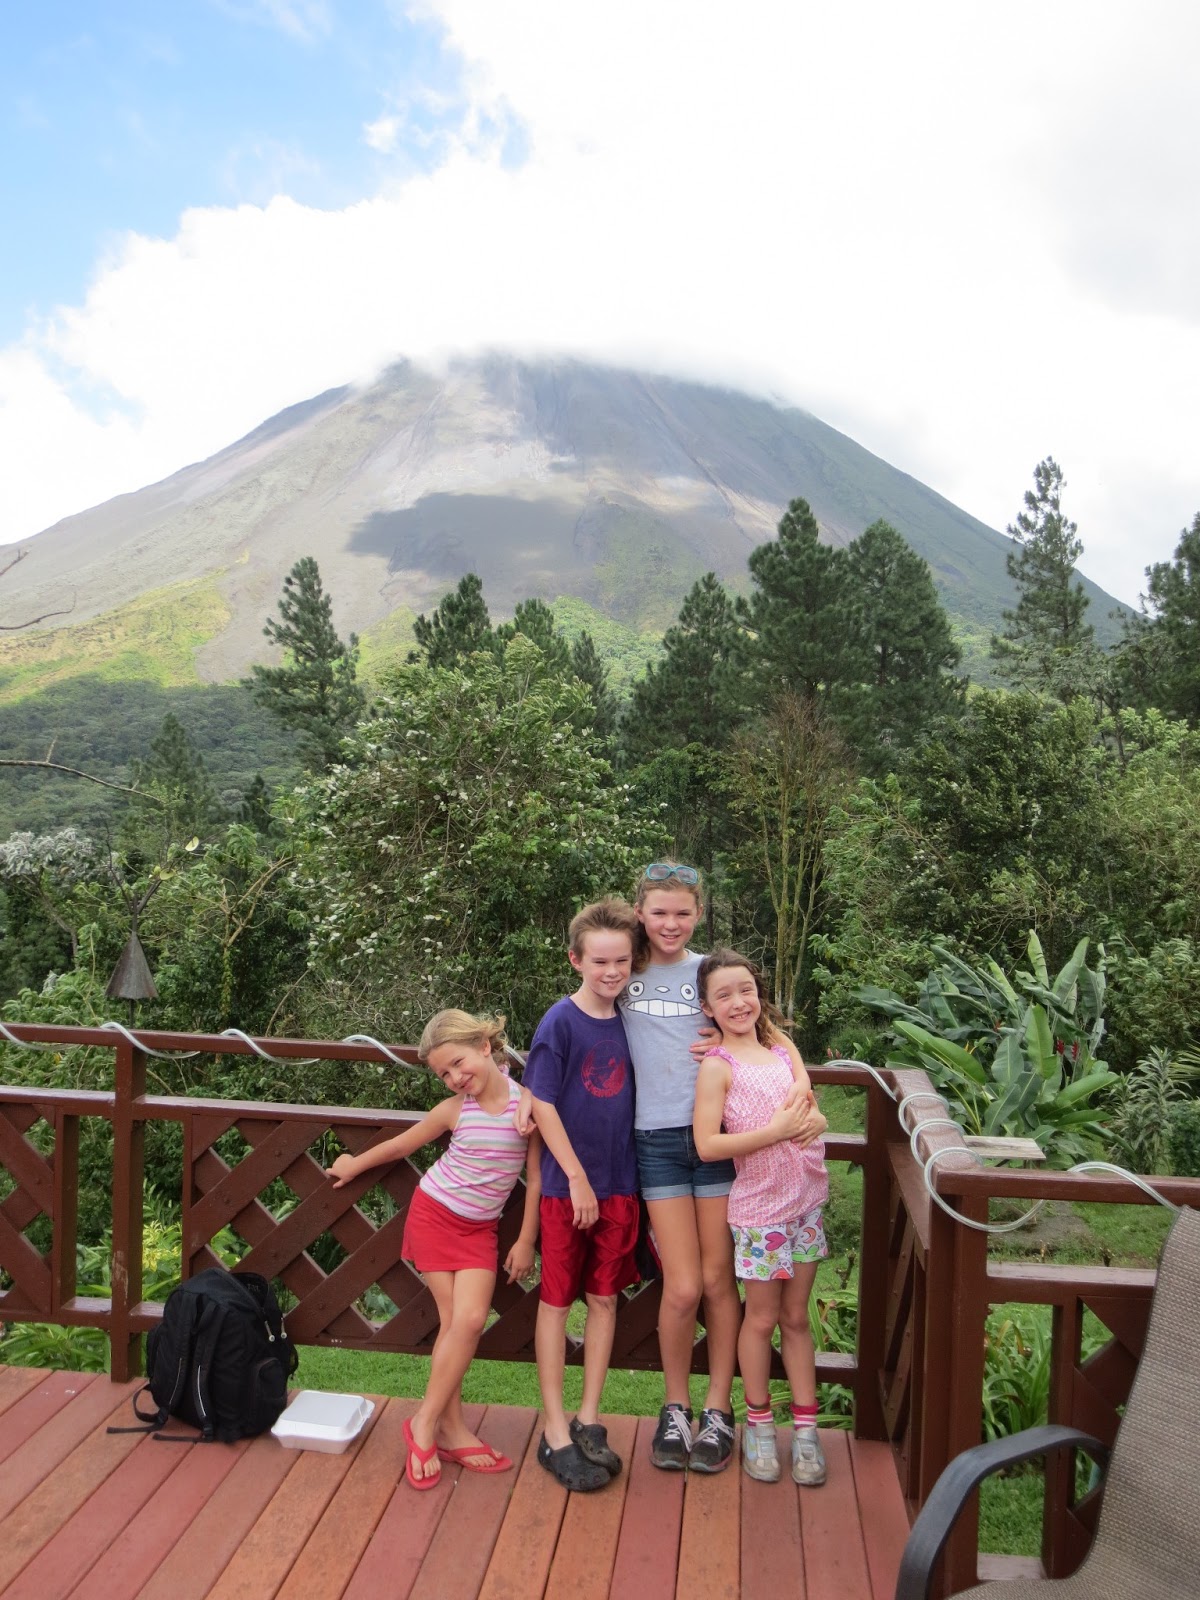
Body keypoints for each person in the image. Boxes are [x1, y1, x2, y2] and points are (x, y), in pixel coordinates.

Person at [621, 862, 826, 1474]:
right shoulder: (624, 969)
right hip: (657, 1138)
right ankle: (675, 1406)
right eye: (659, 912)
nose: (670, 923)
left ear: (699, 915)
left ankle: (719, 1408)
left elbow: (770, 1034)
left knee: (718, 1282)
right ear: (640, 913)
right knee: (682, 1285)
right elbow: (584, 1015)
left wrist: (804, 1085)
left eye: (682, 912)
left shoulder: (709, 973)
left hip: (724, 1142)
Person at [327, 1008, 540, 1491]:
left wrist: (526, 1239)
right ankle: (449, 1429)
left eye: (458, 1063)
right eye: (444, 1074)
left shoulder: (526, 1105)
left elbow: (537, 1176)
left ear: (485, 1046)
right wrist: (353, 1164)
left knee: (467, 1323)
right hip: (436, 1217)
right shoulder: (455, 1110)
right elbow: (402, 1146)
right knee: (457, 1324)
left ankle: (429, 1422)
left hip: (481, 1231)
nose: (455, 1078)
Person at [691, 947, 830, 1487]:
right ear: (707, 1007)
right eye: (723, 995)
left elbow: (809, 1106)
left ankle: (807, 1430)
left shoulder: (779, 1052)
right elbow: (707, 1144)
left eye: (745, 990)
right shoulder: (717, 1067)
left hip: (806, 1205)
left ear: (759, 993)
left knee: (797, 1319)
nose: (738, 1002)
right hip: (760, 1214)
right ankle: (759, 1425)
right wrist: (774, 1133)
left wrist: (816, 1119)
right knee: (763, 1319)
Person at [523, 897, 641, 1493]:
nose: (611, 971)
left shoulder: (633, 1020)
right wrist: (574, 1176)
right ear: (576, 960)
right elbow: (541, 1101)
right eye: (600, 961)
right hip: (567, 1189)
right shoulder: (559, 1022)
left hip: (621, 1184)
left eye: (621, 960)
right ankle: (554, 1430)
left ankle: (588, 1418)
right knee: (555, 1303)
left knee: (604, 1300)